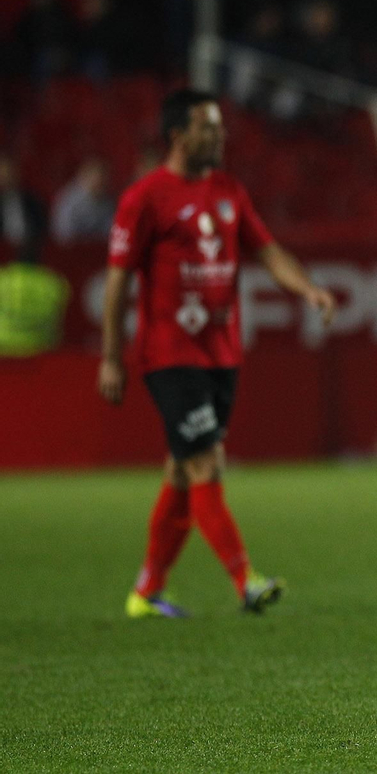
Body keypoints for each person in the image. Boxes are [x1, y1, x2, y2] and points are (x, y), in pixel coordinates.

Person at [101, 88, 337, 619]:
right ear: (178, 136)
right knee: (206, 461)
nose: (220, 136)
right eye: (208, 127)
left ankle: (147, 592)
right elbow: (117, 281)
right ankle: (245, 581)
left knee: (182, 471)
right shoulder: (144, 198)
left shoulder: (229, 191)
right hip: (169, 354)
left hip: (221, 352)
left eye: (220, 127)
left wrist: (307, 289)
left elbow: (268, 250)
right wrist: (111, 357)